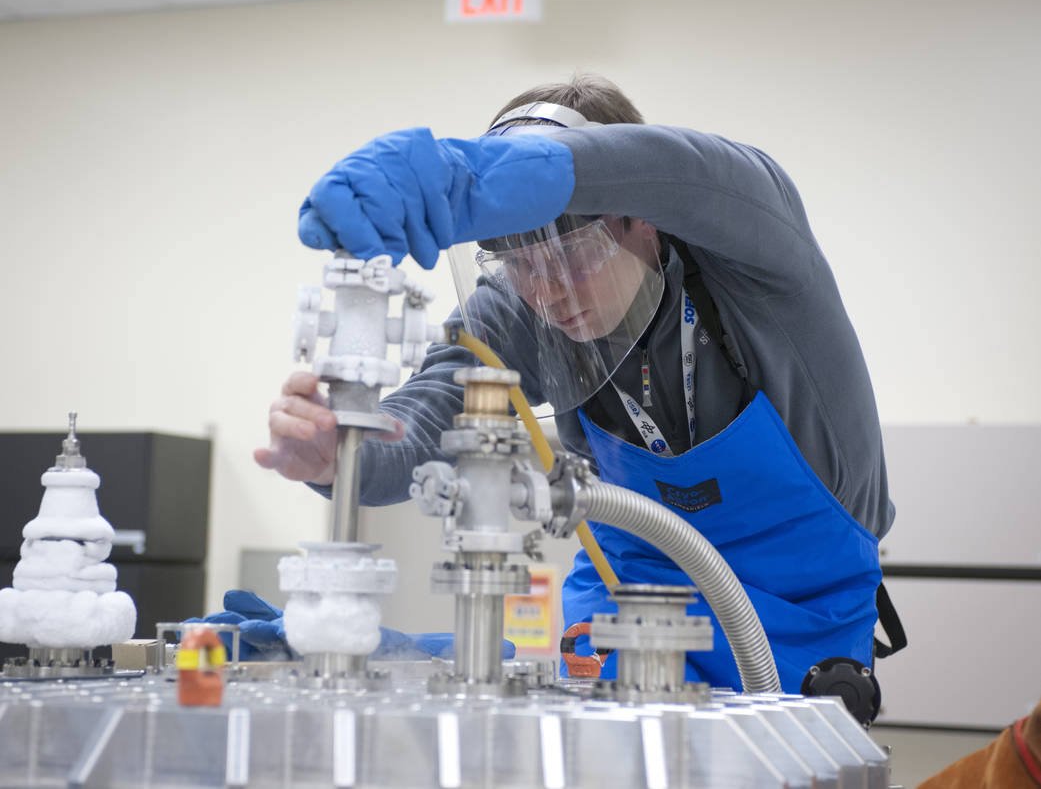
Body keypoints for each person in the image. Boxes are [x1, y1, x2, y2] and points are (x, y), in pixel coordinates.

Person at [255, 72, 896, 692]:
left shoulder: (754, 260)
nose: (548, 290)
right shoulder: (516, 307)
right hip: (626, 602)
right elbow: (425, 420)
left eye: (574, 255)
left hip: (798, 615)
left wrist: (504, 175)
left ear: (643, 217)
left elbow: (698, 172)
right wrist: (338, 453)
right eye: (519, 263)